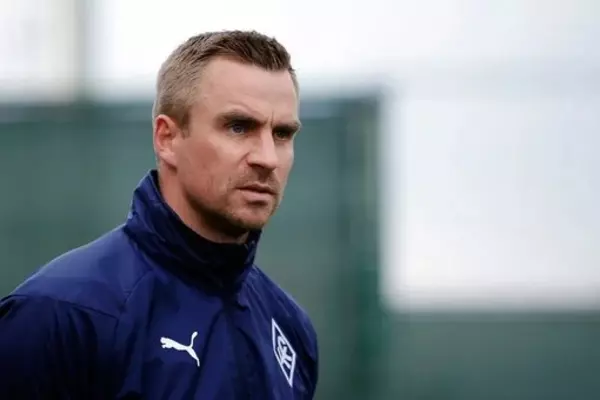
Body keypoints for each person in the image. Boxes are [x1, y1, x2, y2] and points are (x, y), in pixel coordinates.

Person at [0, 30, 318, 399]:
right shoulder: (60, 315)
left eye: (282, 134)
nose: (267, 157)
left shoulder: (290, 328)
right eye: (238, 127)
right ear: (167, 138)